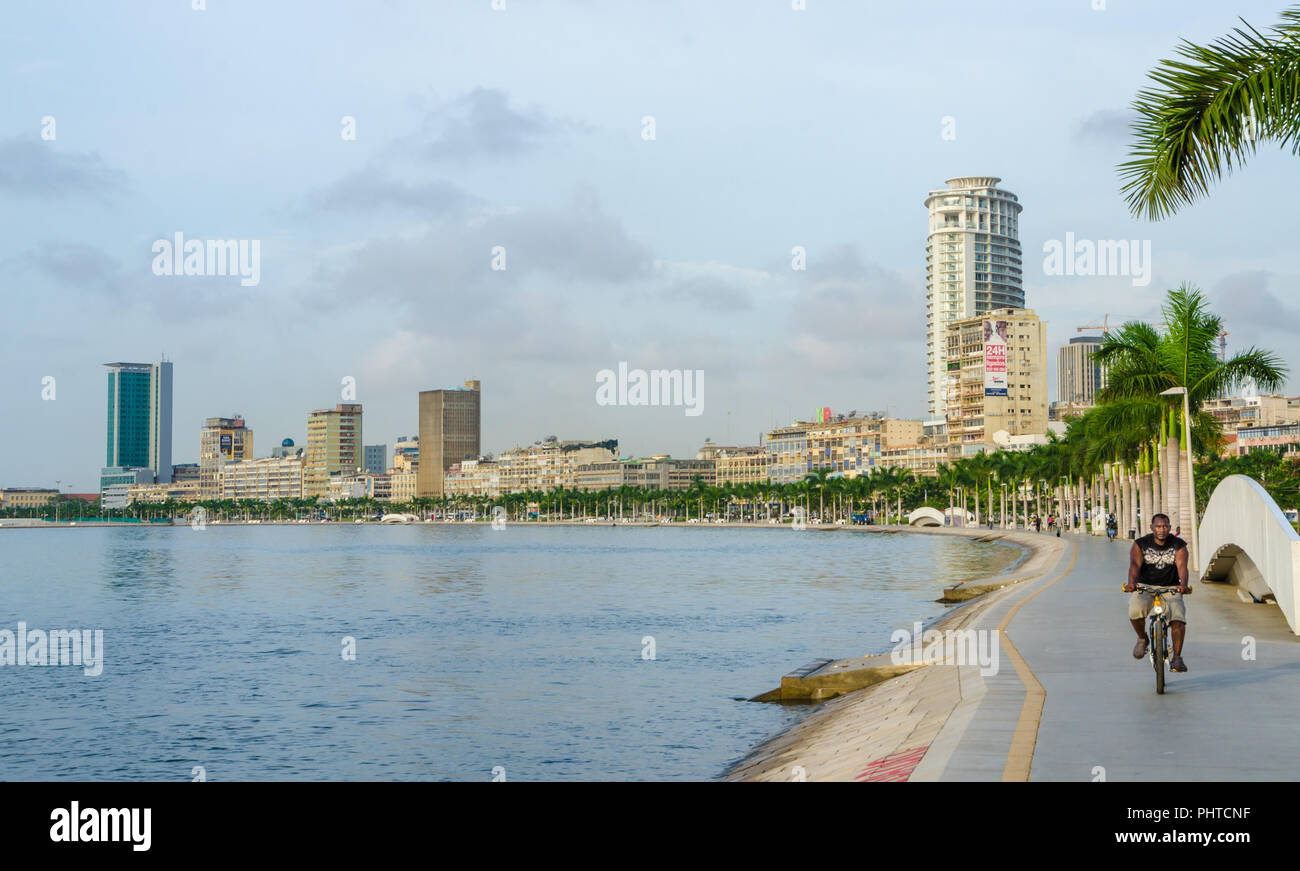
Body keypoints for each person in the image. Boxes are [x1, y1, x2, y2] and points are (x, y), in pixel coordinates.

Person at [1124, 513, 1190, 672]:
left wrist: (1184, 585)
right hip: (1145, 586)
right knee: (1135, 611)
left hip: (1170, 587)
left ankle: (1177, 658)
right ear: (1152, 528)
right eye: (1158, 526)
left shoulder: (1178, 545)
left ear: (1170, 528)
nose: (1162, 529)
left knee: (1178, 619)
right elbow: (1134, 565)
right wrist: (1132, 583)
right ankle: (1142, 638)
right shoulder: (1141, 544)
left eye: (1165, 526)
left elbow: (1182, 567)